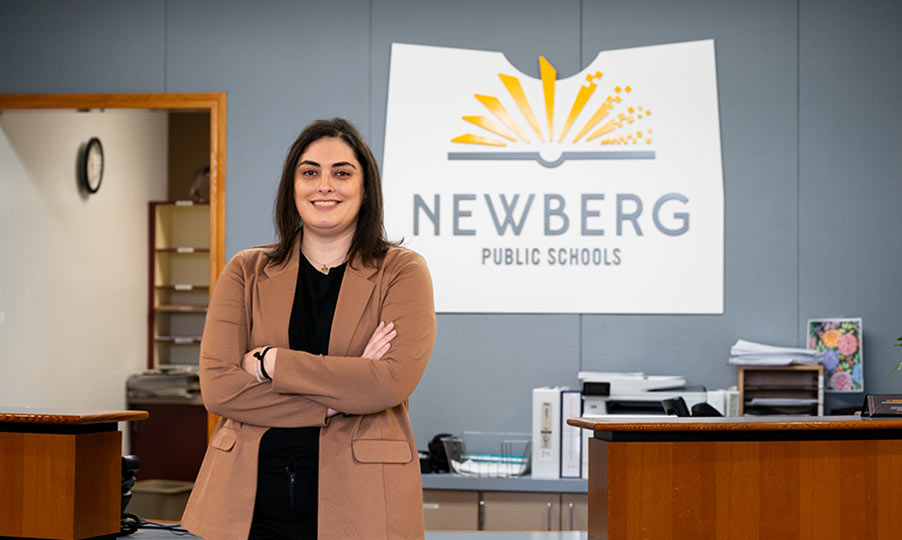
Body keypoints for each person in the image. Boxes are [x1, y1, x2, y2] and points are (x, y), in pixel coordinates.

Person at [180, 118, 436, 540]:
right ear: (292, 186)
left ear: (366, 187)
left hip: (362, 505)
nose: (324, 185)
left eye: (342, 172)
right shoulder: (246, 270)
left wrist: (272, 363)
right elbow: (219, 388)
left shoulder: (402, 271)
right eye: (310, 172)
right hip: (246, 505)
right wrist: (337, 400)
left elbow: (388, 383)